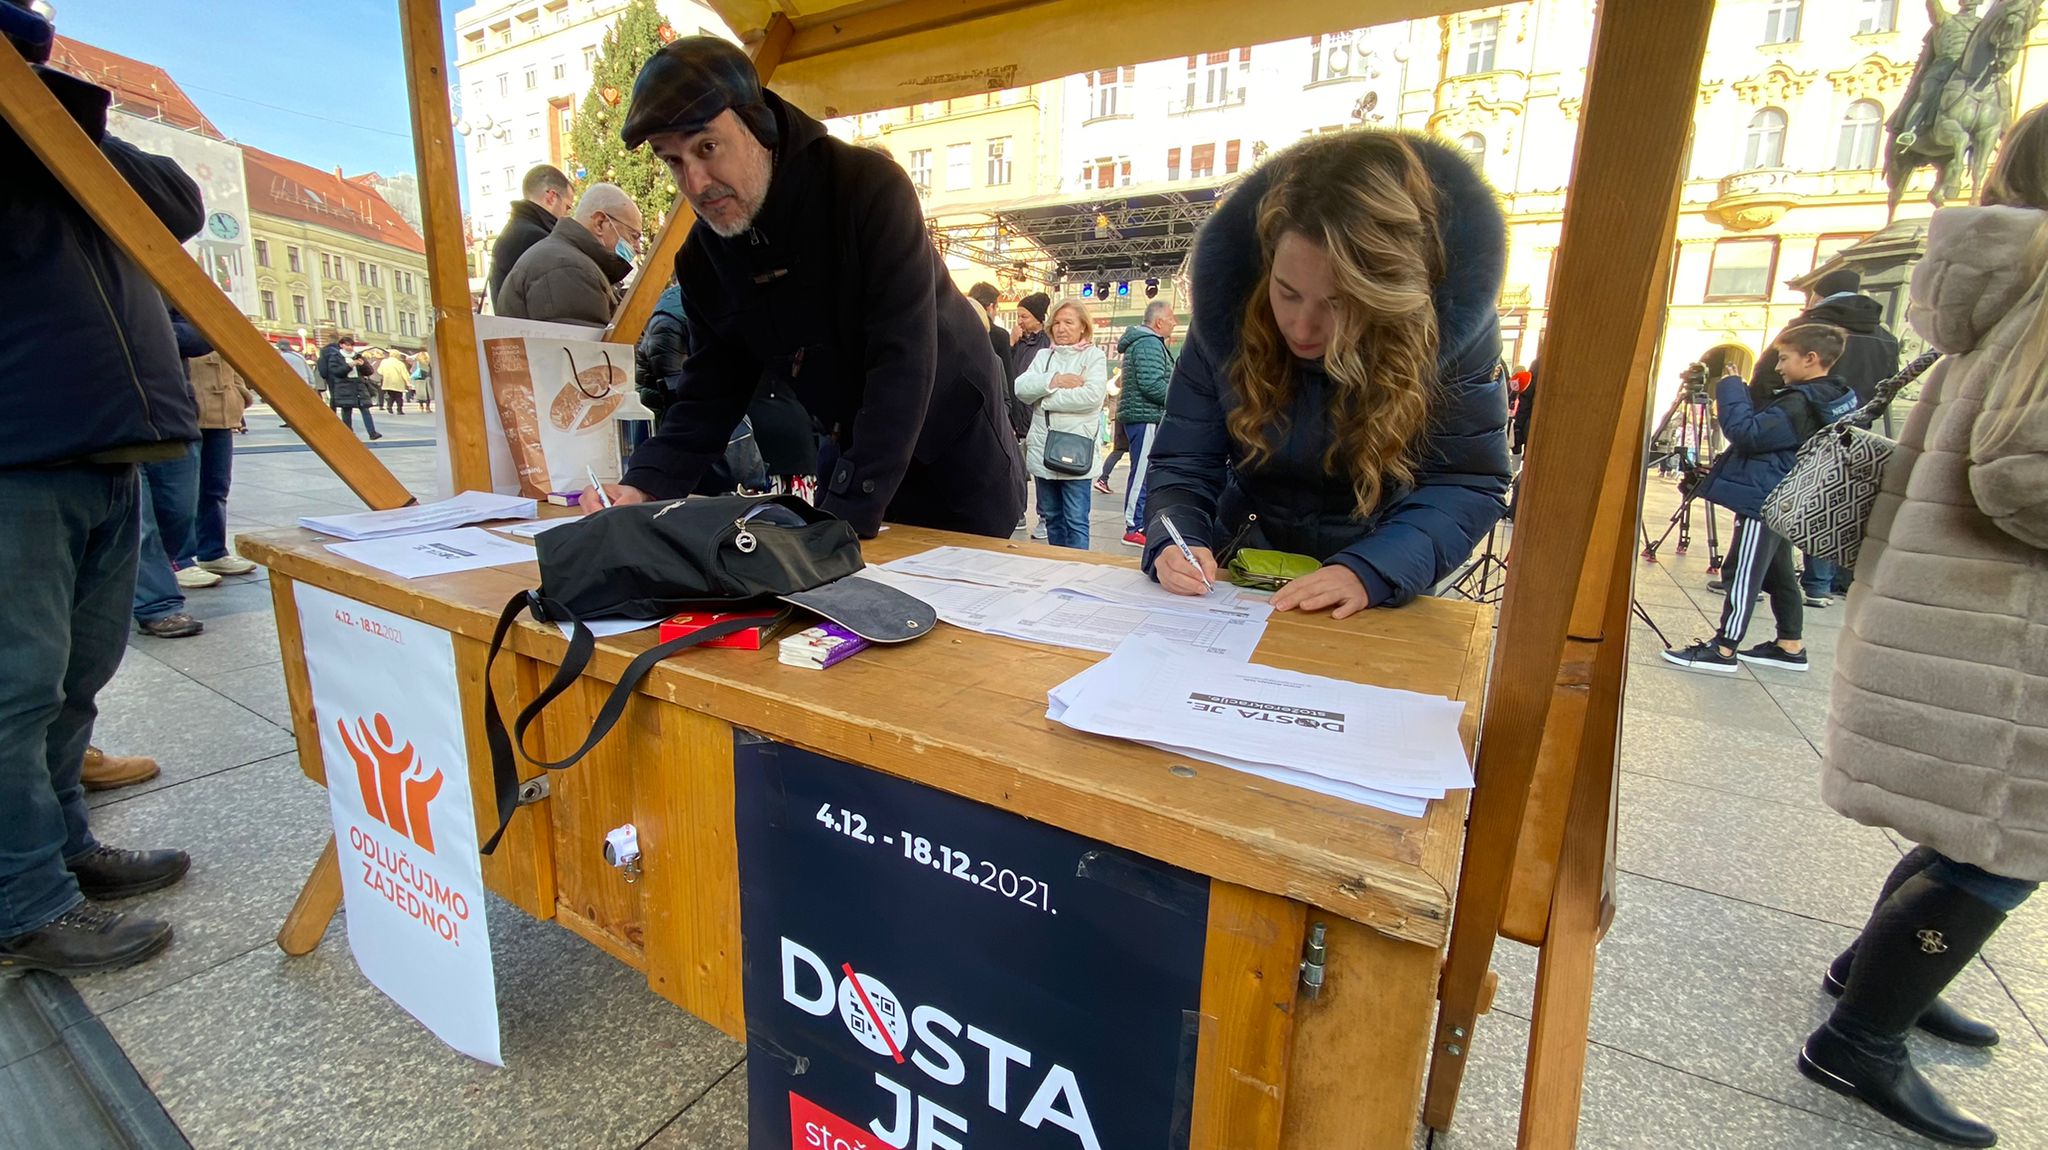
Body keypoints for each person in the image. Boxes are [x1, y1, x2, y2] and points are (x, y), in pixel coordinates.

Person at [1797, 108, 2048, 1149]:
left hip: (1957, 607)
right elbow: (2021, 471)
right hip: (1999, 625)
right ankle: (1861, 1034)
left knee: (1969, 828)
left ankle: (1879, 968)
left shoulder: (2000, 280)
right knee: (2002, 843)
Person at [587, 36, 1025, 538]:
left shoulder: (868, 190)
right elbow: (710, 392)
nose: (697, 182)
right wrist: (641, 485)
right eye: (674, 161)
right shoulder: (704, 259)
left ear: (759, 124)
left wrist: (842, 522)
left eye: (707, 147)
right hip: (852, 449)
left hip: (955, 459)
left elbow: (902, 361)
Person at [0, 2, 193, 975]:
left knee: (75, 675)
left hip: (101, 444)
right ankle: (22, 899)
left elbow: (180, 203)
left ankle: (64, 847)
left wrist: (57, 113)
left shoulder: (57, 136)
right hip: (16, 449)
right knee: (13, 686)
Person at [1141, 131, 1511, 617]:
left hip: (1377, 590)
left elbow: (1466, 480)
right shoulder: (1223, 320)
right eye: (1287, 292)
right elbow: (1184, 464)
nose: (1302, 326)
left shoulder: (1452, 330)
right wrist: (1176, 540)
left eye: (1340, 303)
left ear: (1391, 296)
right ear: (1266, 263)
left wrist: (1372, 569)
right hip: (1239, 577)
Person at [1662, 324, 1858, 674]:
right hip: (1787, 493)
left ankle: (1723, 648)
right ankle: (1789, 644)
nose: (1779, 367)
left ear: (1811, 359)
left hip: (1767, 496)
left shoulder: (1801, 402)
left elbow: (1746, 433)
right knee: (1780, 570)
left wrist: (1732, 388)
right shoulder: (1831, 396)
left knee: (1746, 571)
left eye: (1784, 358)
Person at [1740, 268, 1904, 606]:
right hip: (1853, 429)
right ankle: (1819, 584)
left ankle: (1750, 579)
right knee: (1832, 501)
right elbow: (1890, 384)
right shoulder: (1885, 337)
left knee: (1780, 501)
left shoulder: (1808, 329)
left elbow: (1766, 375)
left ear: (1820, 294)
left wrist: (1760, 419)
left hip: (1797, 423)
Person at [1015, 300, 1109, 549]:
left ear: (1083, 327)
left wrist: (1044, 399)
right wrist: (1056, 379)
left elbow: (1091, 398)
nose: (1061, 328)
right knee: (1052, 519)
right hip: (1043, 451)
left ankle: (1078, 572)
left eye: (1069, 322)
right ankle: (1057, 570)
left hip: (1077, 451)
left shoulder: (1094, 356)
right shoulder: (1044, 356)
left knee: (1077, 520)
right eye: (1056, 322)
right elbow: (1021, 388)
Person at [497, 182, 640, 326]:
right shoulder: (570, 269)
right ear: (600, 223)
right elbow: (583, 346)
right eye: (634, 236)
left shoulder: (569, 260)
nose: (638, 248)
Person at [182, 326, 259, 578]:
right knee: (179, 493)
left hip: (221, 414)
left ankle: (212, 552)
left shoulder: (209, 310)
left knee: (216, 488)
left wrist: (238, 393)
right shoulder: (166, 304)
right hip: (182, 413)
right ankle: (179, 560)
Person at [1113, 300, 1176, 547]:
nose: (1175, 323)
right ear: (1159, 322)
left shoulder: (1145, 342)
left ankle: (1139, 522)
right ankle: (1134, 526)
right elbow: (1152, 385)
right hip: (1146, 416)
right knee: (1141, 472)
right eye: (1171, 318)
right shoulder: (1149, 343)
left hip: (1144, 416)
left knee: (1144, 471)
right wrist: (1179, 398)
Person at [487, 163, 573, 309]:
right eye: (567, 207)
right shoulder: (539, 239)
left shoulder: (513, 231)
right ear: (551, 197)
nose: (567, 215)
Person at [967, 281, 1027, 438]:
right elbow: (1007, 376)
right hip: (992, 415)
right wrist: (1014, 418)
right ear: (990, 307)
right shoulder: (999, 335)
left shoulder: (950, 334)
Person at [319, 332, 380, 440]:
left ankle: (372, 433)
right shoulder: (336, 357)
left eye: (351, 345)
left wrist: (363, 365)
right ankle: (348, 433)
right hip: (344, 386)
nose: (350, 347)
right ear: (341, 345)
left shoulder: (358, 356)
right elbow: (336, 372)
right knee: (346, 410)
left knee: (365, 408)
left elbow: (369, 371)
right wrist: (349, 365)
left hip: (358, 385)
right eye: (347, 345)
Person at [1010, 292, 1051, 376]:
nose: (1019, 321)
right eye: (1018, 316)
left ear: (1037, 319)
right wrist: (1011, 343)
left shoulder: (1049, 339)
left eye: (1024, 317)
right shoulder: (1017, 339)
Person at [376, 350, 410, 415]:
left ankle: (389, 407)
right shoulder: (400, 363)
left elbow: (379, 371)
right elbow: (404, 374)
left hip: (388, 382)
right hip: (398, 382)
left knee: (391, 395)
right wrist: (407, 382)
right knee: (398, 396)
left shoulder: (384, 362)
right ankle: (399, 410)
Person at [411, 349, 433, 413]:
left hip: (418, 379)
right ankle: (428, 407)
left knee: (420, 394)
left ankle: (421, 406)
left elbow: (412, 370)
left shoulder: (417, 362)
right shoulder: (428, 362)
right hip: (426, 379)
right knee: (427, 393)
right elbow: (430, 370)